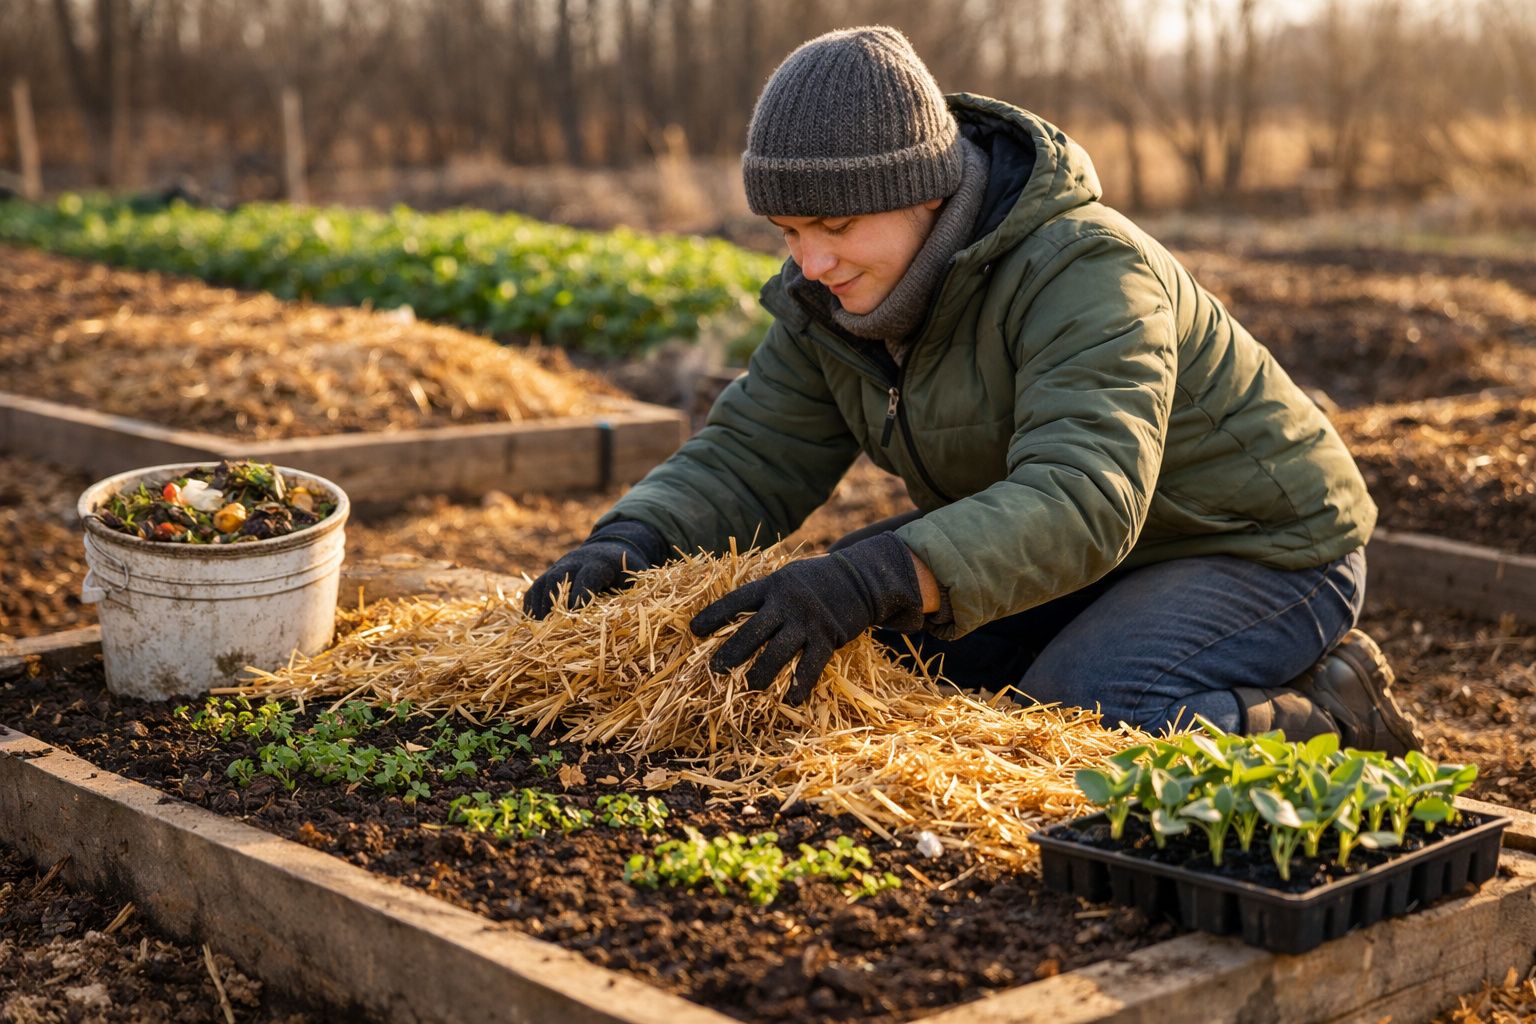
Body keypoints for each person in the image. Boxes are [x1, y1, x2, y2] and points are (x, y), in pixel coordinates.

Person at [523, 25, 1423, 755]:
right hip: (1084, 552)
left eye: (837, 225)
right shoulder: (831, 295)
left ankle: (1327, 708)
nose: (812, 260)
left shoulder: (1084, 269)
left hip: (1258, 547)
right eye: (789, 229)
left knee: (1081, 718)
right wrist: (630, 544)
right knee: (884, 662)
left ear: (925, 194)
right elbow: (755, 451)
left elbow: (1083, 497)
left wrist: (873, 574)